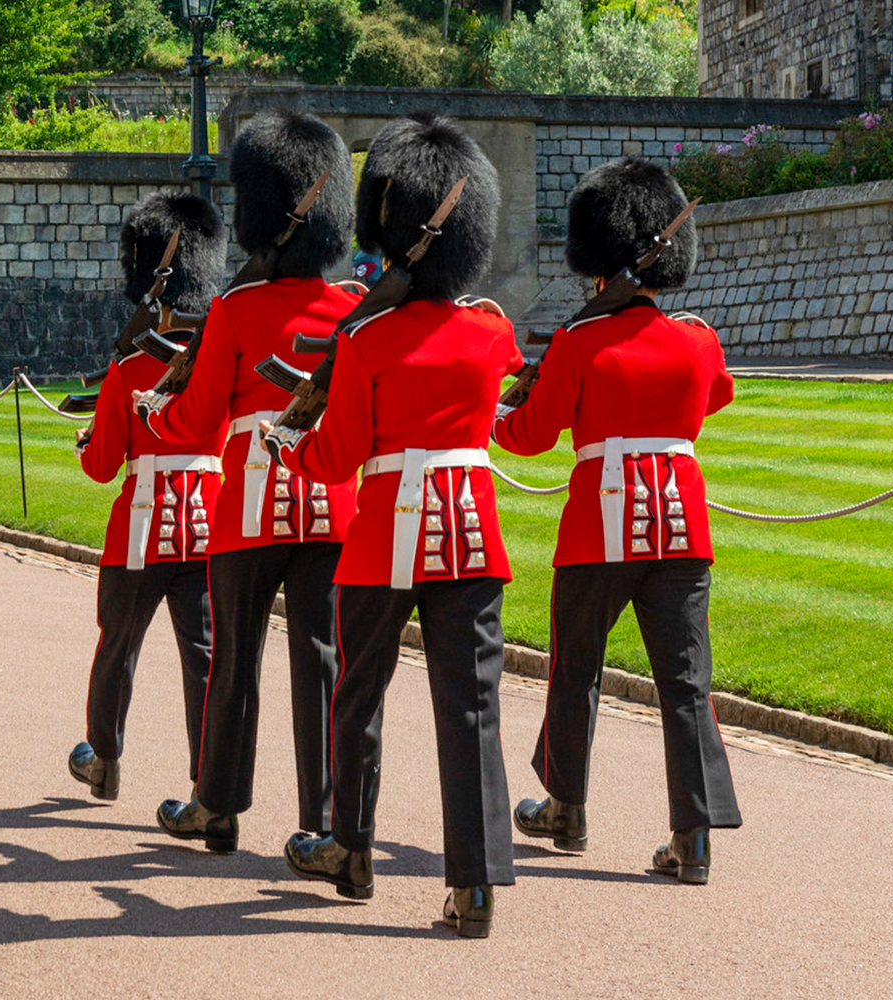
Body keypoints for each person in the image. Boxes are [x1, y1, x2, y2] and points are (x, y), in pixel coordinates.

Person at [264, 112, 519, 938]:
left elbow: (337, 459)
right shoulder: (493, 330)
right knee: (471, 711)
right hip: (471, 538)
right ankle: (473, 887)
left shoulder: (368, 341)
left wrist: (286, 449)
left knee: (358, 696)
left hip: (383, 540)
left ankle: (351, 849)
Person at [494, 155, 743, 885]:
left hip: (598, 527)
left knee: (576, 671)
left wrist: (492, 413)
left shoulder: (579, 342)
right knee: (686, 682)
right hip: (681, 526)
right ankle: (693, 838)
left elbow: (530, 435)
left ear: (601, 263)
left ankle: (565, 809)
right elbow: (716, 395)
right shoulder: (697, 337)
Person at [137, 108, 360, 851]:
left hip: (249, 513)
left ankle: (217, 805)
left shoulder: (234, 311)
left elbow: (198, 421)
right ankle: (324, 821)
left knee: (234, 661)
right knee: (322, 662)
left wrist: (157, 413)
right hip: (331, 507)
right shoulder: (354, 311)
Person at [68, 191, 228, 802]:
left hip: (140, 528)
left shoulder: (131, 367)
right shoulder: (219, 362)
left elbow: (103, 465)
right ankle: (207, 782)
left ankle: (104, 760)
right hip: (207, 524)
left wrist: (86, 443)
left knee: (118, 647)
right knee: (204, 659)